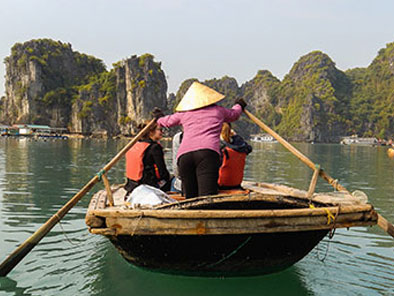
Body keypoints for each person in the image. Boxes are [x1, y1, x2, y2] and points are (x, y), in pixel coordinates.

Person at [154, 81, 246, 198]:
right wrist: (239, 105)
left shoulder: (184, 114)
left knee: (190, 198)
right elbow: (235, 114)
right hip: (207, 154)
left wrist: (158, 117)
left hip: (185, 157)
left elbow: (166, 121)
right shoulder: (218, 111)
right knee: (207, 197)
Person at [124, 121, 172, 199]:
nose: (162, 132)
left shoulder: (135, 144)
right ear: (151, 132)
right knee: (173, 181)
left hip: (131, 185)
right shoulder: (154, 147)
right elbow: (163, 172)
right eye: (159, 130)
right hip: (147, 185)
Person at [218, 122, 252, 189]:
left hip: (220, 186)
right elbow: (249, 148)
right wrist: (236, 136)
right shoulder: (244, 148)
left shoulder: (219, 147)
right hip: (236, 184)